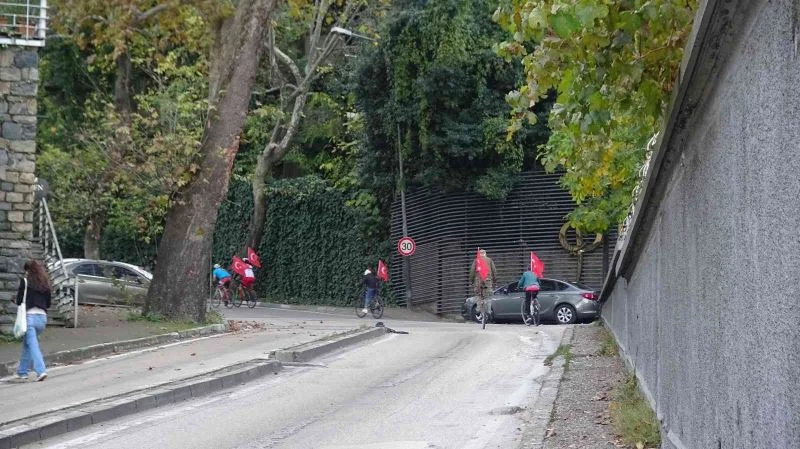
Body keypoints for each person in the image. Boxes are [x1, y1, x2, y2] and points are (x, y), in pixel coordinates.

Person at [13, 260, 52, 382]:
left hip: (30, 317)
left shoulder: (25, 282)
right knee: (28, 344)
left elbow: (19, 301)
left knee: (33, 346)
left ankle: (41, 371)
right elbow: (48, 303)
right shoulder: (45, 283)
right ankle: (22, 372)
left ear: (28, 270)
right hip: (42, 318)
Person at [469, 249, 497, 319]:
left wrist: (471, 281)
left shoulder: (476, 260)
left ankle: (478, 310)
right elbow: (494, 271)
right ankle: (488, 311)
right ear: (485, 254)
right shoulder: (489, 260)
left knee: (478, 295)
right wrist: (495, 281)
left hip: (478, 282)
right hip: (488, 281)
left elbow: (472, 271)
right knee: (488, 296)